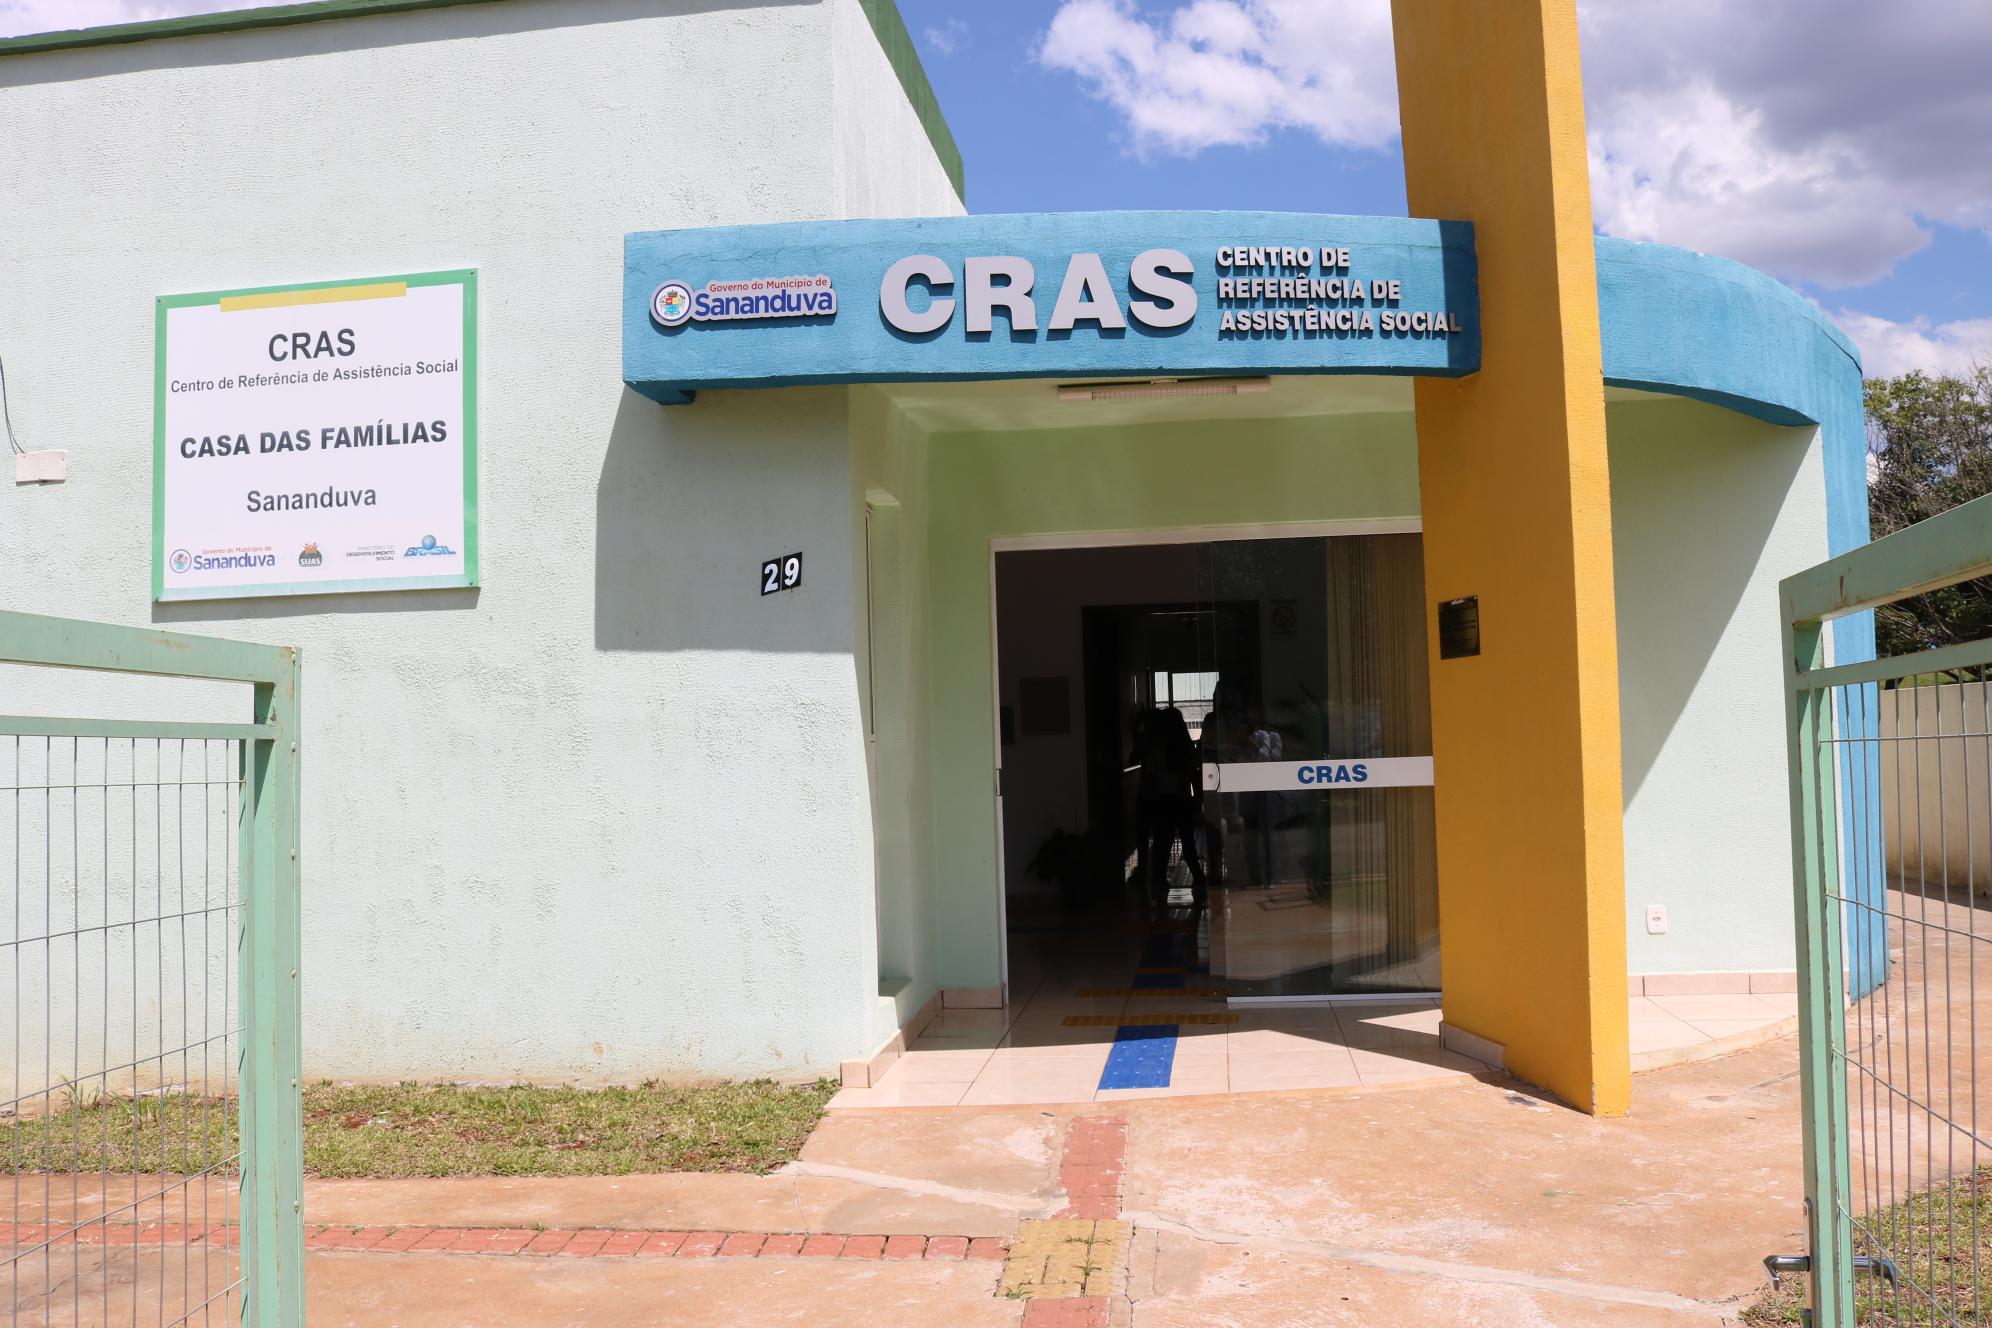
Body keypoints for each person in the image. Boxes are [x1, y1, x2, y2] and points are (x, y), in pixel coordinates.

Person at [1135, 705, 1207, 913]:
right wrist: (1198, 801)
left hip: (1162, 801)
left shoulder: (1156, 746)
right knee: (1188, 843)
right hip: (1182, 800)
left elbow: (1150, 775)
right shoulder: (1185, 747)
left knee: (1163, 843)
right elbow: (1194, 776)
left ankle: (1159, 882)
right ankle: (1198, 877)